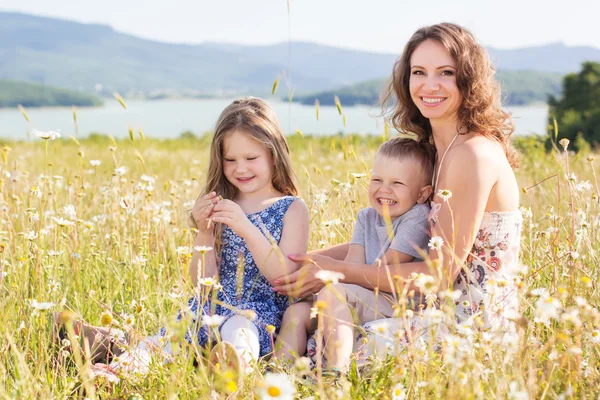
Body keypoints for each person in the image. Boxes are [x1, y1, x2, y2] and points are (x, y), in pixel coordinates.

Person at [272, 22, 522, 373]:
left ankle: (330, 381)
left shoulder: (473, 154)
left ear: (469, 79)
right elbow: (398, 242)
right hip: (424, 303)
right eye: (419, 72)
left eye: (446, 73)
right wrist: (306, 260)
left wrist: (338, 272)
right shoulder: (439, 151)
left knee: (331, 311)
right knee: (303, 306)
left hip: (466, 323)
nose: (429, 85)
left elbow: (439, 275)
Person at [57, 97, 309, 380]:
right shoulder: (222, 202)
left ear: (274, 154)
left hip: (258, 315)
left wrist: (246, 228)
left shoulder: (291, 208)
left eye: (251, 158)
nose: (241, 168)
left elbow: (285, 277)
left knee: (240, 331)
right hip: (210, 306)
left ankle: (234, 376)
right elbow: (202, 284)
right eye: (230, 160)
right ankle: (117, 372)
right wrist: (204, 232)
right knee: (168, 339)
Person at [273, 137, 434, 364]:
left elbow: (385, 268)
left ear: (421, 194)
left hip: (397, 301)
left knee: (333, 293)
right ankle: (278, 372)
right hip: (363, 294)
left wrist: (329, 281)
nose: (383, 189)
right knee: (296, 313)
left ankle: (335, 373)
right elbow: (351, 265)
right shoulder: (366, 217)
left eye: (397, 183)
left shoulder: (417, 217)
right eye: (377, 179)